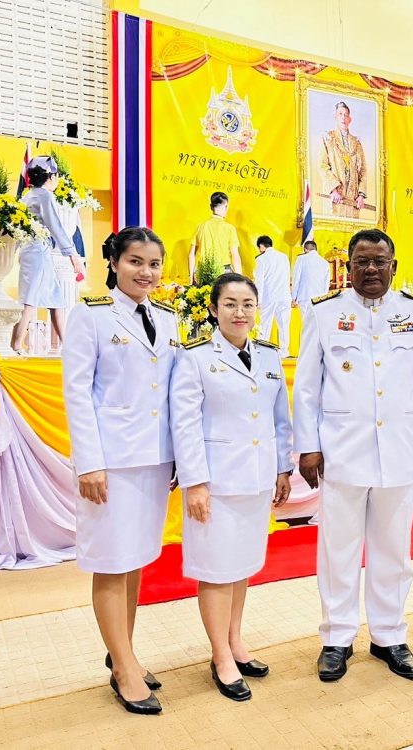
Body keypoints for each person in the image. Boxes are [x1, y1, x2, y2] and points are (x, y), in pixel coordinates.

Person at [294, 228, 413, 682]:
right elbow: (307, 387)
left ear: (394, 266)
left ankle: (389, 635)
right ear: (349, 266)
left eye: (380, 261)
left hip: (398, 451)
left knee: (393, 551)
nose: (372, 269)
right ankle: (337, 638)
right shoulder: (324, 312)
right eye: (362, 261)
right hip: (341, 451)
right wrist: (308, 446)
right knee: (338, 550)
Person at [62, 226, 179, 715]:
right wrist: (89, 462)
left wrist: (179, 456)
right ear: (114, 263)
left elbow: (172, 394)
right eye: (135, 262)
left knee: (134, 560)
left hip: (154, 460)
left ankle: (123, 655)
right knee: (111, 562)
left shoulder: (168, 319)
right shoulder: (90, 316)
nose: (145, 272)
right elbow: (77, 393)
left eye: (154, 264)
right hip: (109, 463)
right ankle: (125, 670)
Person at [171, 272, 294, 702]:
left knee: (241, 566)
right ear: (213, 309)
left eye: (247, 304)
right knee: (216, 570)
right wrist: (195, 483)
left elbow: (280, 419)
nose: (239, 312)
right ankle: (220, 655)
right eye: (230, 304)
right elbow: (185, 425)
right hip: (217, 482)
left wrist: (283, 469)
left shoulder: (269, 356)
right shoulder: (195, 358)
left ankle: (236, 641)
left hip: (257, 479)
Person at [12, 156, 85, 353]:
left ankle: (66, 345)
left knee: (56, 298)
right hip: (37, 252)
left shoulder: (28, 196)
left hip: (35, 251)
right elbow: (56, 226)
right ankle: (16, 345)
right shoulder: (44, 196)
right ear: (51, 176)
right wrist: (73, 255)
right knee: (29, 299)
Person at [318, 102, 367, 219]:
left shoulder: (356, 143)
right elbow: (322, 165)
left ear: (350, 119)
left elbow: (363, 170)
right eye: (340, 114)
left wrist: (361, 195)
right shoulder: (328, 138)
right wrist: (333, 190)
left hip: (352, 201)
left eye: (346, 115)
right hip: (335, 199)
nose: (343, 117)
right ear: (335, 117)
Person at [252, 236, 293, 358]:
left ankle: (262, 351)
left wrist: (258, 299)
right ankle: (284, 352)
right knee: (284, 325)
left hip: (268, 296)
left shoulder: (261, 259)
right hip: (284, 296)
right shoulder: (284, 257)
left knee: (265, 325)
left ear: (261, 246)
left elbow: (259, 281)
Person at [189, 191, 242, 280]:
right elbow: (235, 256)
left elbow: (191, 254)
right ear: (226, 206)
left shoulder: (201, 227)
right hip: (223, 272)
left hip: (202, 272)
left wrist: (191, 277)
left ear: (211, 207)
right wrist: (239, 279)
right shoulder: (229, 228)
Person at [292, 240, 332, 311]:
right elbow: (326, 283)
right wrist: (324, 297)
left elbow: (296, 279)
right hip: (319, 297)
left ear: (305, 249)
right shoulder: (325, 262)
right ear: (316, 249)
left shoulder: (301, 259)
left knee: (305, 317)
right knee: (316, 317)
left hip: (304, 296)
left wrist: (294, 297)